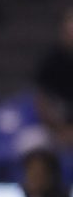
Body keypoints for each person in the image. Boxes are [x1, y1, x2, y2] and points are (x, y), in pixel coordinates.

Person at [34, 9, 73, 146]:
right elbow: (42, 101)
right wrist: (60, 129)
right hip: (57, 127)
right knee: (34, 141)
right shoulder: (51, 61)